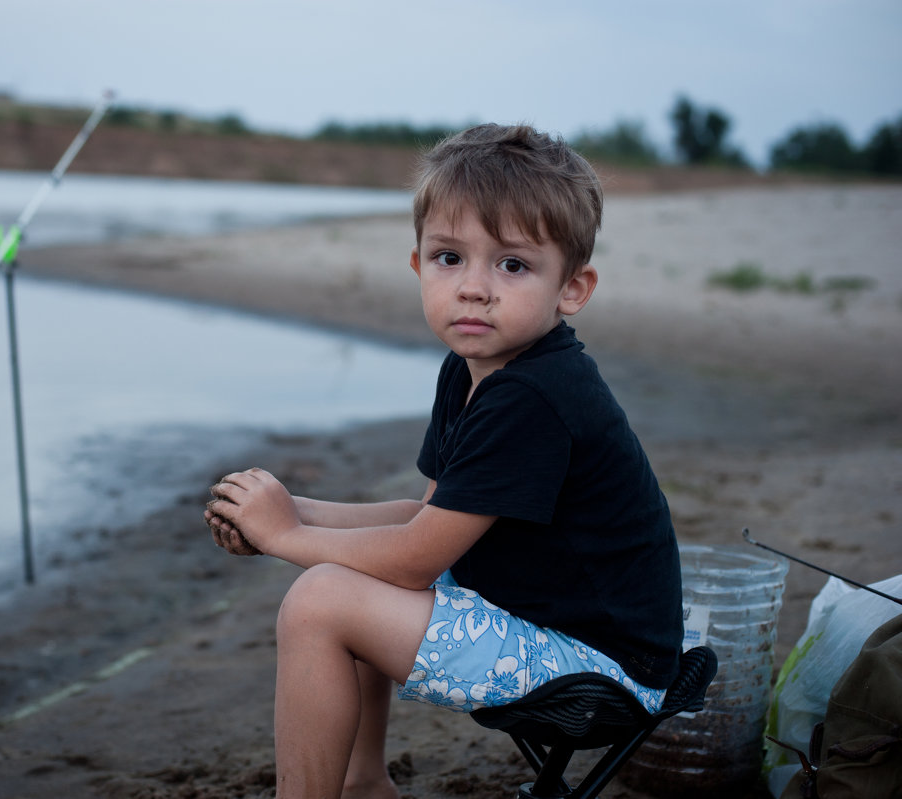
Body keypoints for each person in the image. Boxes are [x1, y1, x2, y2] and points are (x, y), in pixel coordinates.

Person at [204, 123, 684, 799]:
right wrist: (290, 513)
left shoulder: (534, 395)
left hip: (602, 669)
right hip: (553, 624)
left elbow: (414, 558)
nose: (474, 287)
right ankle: (363, 782)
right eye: (450, 258)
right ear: (418, 265)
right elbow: (425, 518)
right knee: (344, 569)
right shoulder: (472, 370)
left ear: (572, 288)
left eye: (512, 264)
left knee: (319, 600)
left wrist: (286, 537)